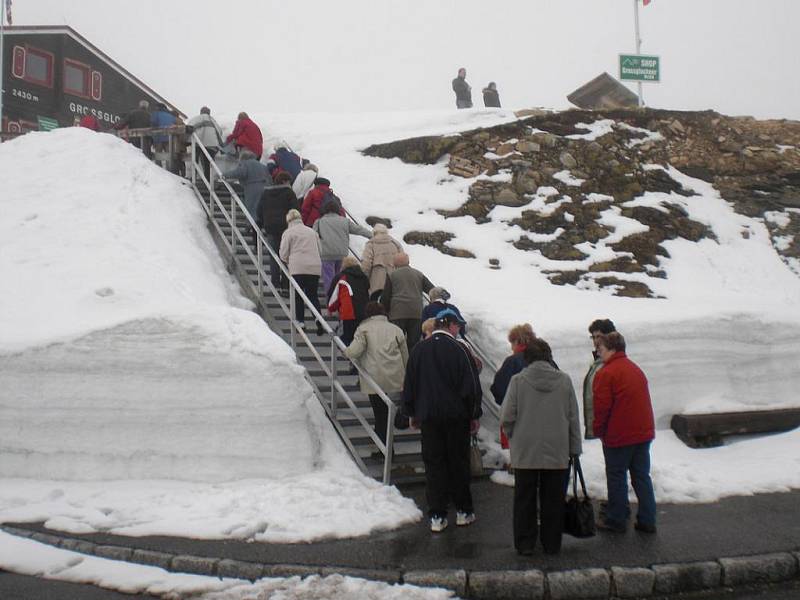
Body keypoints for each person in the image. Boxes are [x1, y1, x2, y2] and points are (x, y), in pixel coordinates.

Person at [402, 310, 483, 532]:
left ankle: (437, 514)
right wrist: (474, 414)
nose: (459, 330)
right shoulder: (459, 349)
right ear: (448, 325)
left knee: (434, 464)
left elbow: (409, 384)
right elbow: (472, 387)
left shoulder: (419, 350)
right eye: (457, 326)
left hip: (429, 417)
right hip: (456, 417)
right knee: (458, 463)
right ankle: (463, 511)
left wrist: (411, 412)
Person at [500, 338, 581, 556]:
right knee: (553, 498)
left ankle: (525, 543)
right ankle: (551, 543)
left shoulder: (518, 381)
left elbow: (507, 415)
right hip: (557, 448)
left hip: (526, 449)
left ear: (527, 359)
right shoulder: (564, 381)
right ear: (549, 356)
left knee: (524, 497)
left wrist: (513, 437)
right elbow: (573, 417)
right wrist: (574, 448)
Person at [593, 332, 657, 534]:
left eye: (601, 349)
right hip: (643, 433)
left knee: (616, 476)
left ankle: (616, 519)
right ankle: (648, 519)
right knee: (641, 476)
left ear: (611, 349)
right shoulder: (635, 369)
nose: (598, 353)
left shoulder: (607, 373)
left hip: (619, 435)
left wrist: (598, 430)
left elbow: (602, 407)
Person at [345, 302, 408, 454]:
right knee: (385, 412)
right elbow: (405, 356)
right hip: (394, 377)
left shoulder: (364, 329)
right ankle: (386, 448)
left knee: (380, 414)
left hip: (374, 379)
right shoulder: (396, 329)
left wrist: (345, 352)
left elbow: (353, 351)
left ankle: (385, 450)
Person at [279, 209, 325, 336]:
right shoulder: (312, 232)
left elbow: (283, 253)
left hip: (297, 267)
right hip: (314, 267)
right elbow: (320, 251)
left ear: (288, 220)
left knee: (298, 295)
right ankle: (318, 318)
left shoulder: (288, 233)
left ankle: (300, 321)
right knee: (312, 295)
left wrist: (288, 260)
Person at [313, 201, 372, 294]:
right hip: (342, 254)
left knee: (329, 279)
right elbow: (359, 229)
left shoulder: (319, 222)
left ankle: (331, 301)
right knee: (340, 279)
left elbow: (313, 236)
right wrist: (372, 235)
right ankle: (340, 300)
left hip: (326, 254)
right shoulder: (345, 221)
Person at [380, 253, 434, 353]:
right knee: (414, 342)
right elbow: (431, 290)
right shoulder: (418, 274)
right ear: (408, 262)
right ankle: (413, 364)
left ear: (395, 264)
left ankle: (399, 365)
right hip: (416, 312)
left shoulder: (392, 275)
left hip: (397, 313)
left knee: (396, 342)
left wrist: (385, 312)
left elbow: (386, 296)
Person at [257, 171, 298, 293]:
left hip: (270, 228)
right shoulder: (289, 193)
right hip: (286, 228)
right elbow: (295, 210)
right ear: (285, 182)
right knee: (286, 256)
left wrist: (264, 222)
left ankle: (275, 283)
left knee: (273, 255)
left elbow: (259, 210)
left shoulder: (266, 193)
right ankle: (285, 285)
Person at [583, 319, 616, 440]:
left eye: (599, 337)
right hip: (604, 431)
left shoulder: (613, 363)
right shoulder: (597, 362)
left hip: (613, 431)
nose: (596, 341)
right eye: (593, 337)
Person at [327, 256, 370, 346]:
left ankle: (348, 356)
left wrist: (330, 309)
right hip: (364, 312)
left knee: (345, 339)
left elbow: (333, 296)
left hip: (349, 313)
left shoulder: (341, 277)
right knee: (359, 340)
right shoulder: (364, 277)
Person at [222, 150, 272, 220]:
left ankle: (252, 227)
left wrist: (225, 175)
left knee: (252, 209)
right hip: (266, 189)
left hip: (253, 189)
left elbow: (240, 173)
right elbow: (269, 178)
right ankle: (260, 226)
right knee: (262, 209)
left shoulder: (246, 164)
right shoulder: (262, 166)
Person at [361, 223, 403, 301]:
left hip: (377, 281)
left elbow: (366, 263)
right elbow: (403, 261)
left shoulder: (371, 244)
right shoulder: (395, 243)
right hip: (394, 280)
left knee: (375, 303)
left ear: (374, 233)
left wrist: (364, 278)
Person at [187, 106, 224, 183]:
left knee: (195, 160)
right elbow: (219, 131)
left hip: (198, 143)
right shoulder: (213, 120)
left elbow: (189, 127)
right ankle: (209, 181)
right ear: (209, 113)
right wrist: (220, 145)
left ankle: (193, 178)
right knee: (208, 164)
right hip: (212, 144)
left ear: (201, 112)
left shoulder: (197, 118)